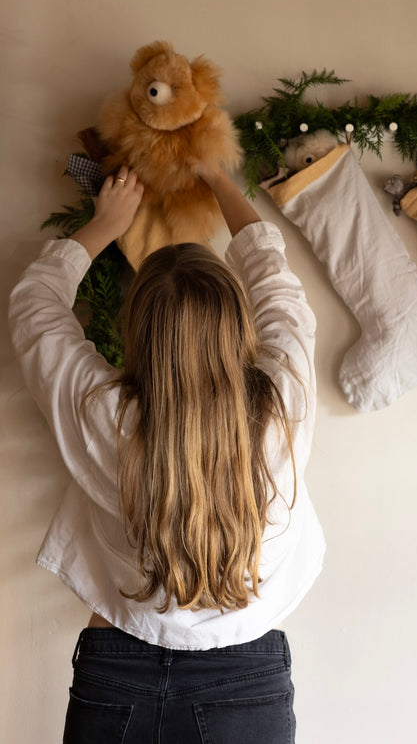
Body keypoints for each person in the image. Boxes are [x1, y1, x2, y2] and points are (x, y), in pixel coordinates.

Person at [8, 165, 325, 743]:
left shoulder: (106, 415)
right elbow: (277, 287)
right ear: (237, 325)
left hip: (118, 672)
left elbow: (34, 305)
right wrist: (223, 181)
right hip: (245, 678)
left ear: (138, 330)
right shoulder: (284, 406)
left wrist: (107, 223)